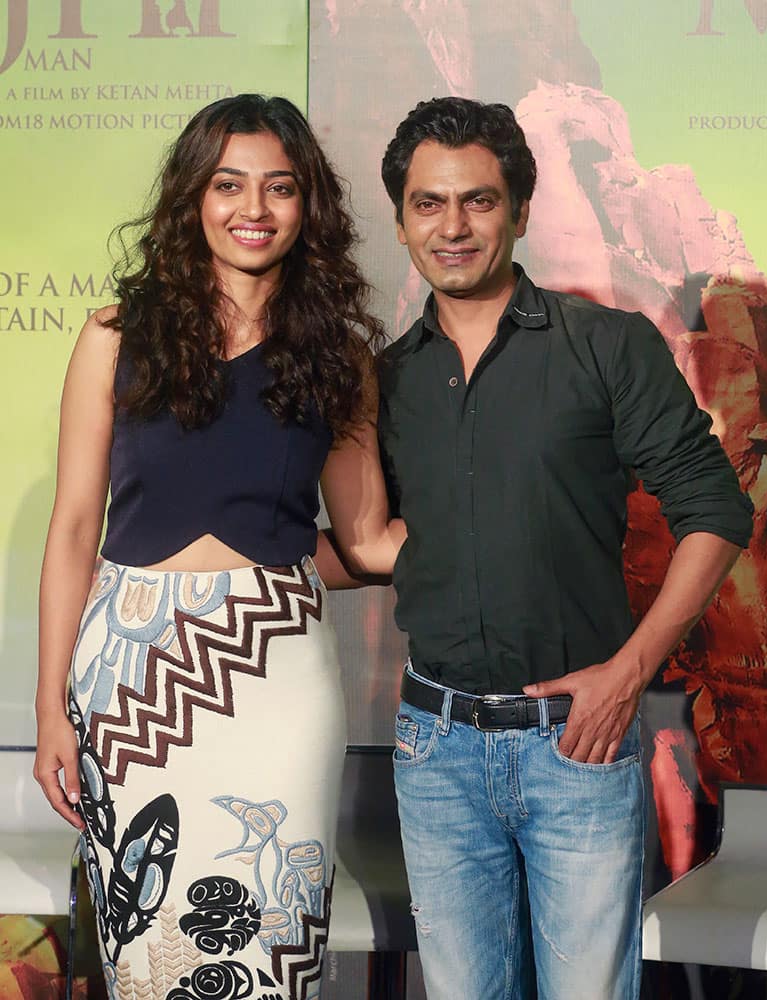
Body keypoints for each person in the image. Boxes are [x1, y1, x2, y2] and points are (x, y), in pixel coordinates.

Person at [378, 97, 753, 1000]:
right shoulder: (386, 379)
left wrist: (628, 673)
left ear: (520, 210)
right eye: (429, 203)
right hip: (435, 754)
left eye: (479, 200)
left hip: (576, 748)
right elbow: (375, 544)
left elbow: (716, 511)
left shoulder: (607, 346)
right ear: (399, 220)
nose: (454, 226)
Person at [34, 93, 402, 1000]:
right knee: (145, 948)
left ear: (307, 204)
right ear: (193, 196)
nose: (255, 208)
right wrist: (50, 709)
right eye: (230, 184)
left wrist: (508, 515)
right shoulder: (115, 336)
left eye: (280, 188)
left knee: (270, 950)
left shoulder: (339, 355)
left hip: (279, 675)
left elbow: (363, 540)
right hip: (129, 672)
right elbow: (76, 526)